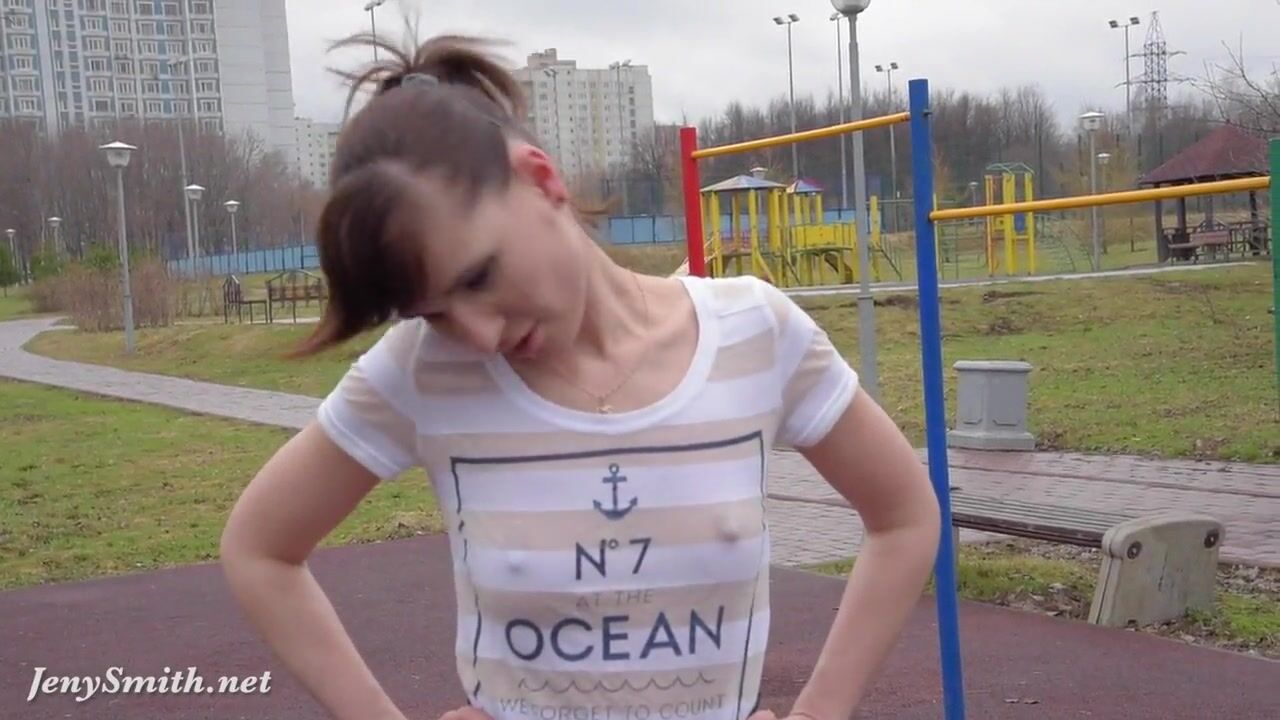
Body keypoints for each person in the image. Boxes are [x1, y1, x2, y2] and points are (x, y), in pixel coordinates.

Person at [218, 29, 941, 720]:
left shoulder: (757, 333)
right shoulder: (421, 371)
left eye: (478, 277)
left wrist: (820, 709)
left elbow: (906, 516)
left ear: (541, 180)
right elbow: (259, 550)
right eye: (433, 313)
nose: (478, 335)